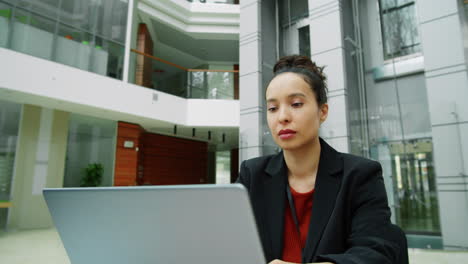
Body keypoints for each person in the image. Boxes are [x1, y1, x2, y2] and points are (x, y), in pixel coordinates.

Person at [236, 55, 401, 264]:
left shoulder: (360, 175)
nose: (282, 117)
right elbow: (229, 242)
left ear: (322, 111)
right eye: (272, 108)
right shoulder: (252, 175)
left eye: (296, 104)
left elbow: (375, 254)